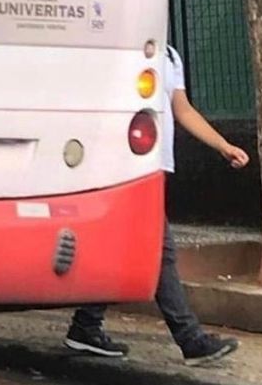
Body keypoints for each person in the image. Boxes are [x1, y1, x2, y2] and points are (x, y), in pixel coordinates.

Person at [64, 44, 250, 366]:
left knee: (122, 250)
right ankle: (190, 340)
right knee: (161, 251)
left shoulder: (170, 56)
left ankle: (85, 325)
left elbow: (183, 110)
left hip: (155, 167)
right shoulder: (121, 47)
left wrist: (223, 145)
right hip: (126, 166)